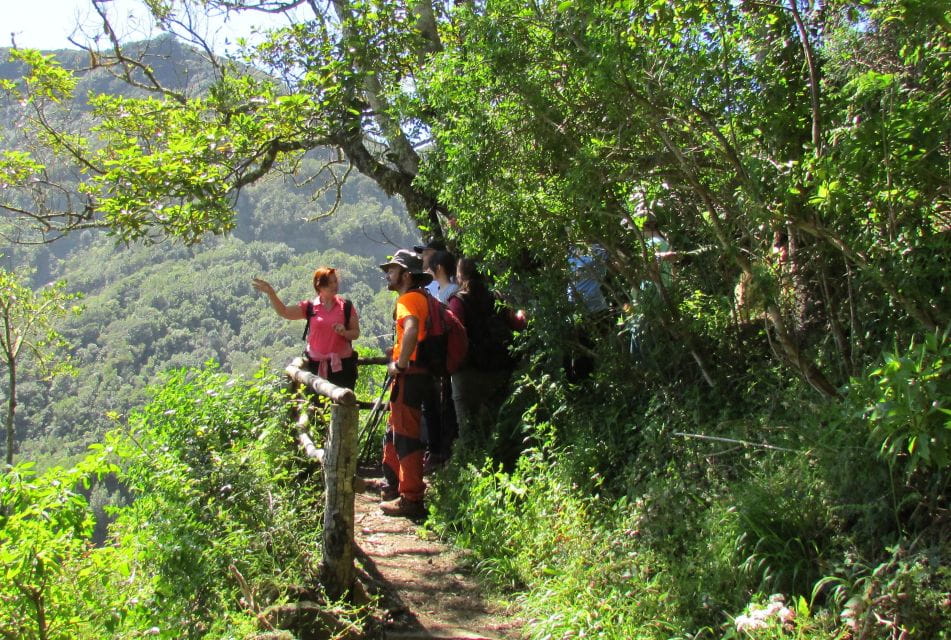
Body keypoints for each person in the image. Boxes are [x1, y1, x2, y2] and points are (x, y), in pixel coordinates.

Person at [377, 249, 433, 518]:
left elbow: (411, 330)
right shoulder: (423, 297)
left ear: (407, 275)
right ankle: (394, 485)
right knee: (397, 430)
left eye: (393, 269)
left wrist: (399, 364)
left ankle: (411, 498)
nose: (389, 273)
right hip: (419, 374)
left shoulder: (408, 300)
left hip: (409, 376)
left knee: (406, 435)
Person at [448, 257, 526, 441]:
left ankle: (470, 455)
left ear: (460, 276)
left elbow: (454, 333)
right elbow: (517, 323)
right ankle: (502, 452)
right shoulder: (495, 296)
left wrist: (452, 365)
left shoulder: (458, 301)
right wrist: (522, 314)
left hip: (469, 371)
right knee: (498, 423)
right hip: (499, 367)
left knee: (468, 426)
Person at [252, 268, 360, 389]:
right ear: (319, 286)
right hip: (315, 366)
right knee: (317, 401)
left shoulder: (346, 306)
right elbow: (284, 311)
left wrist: (344, 332)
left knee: (343, 399)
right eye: (330, 283)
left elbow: (355, 333)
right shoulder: (310, 307)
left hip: (343, 367)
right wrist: (271, 293)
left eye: (335, 281)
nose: (334, 285)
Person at [421, 249, 459, 471]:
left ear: (440, 268)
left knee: (445, 406)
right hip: (439, 359)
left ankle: (444, 451)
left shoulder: (451, 293)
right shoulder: (443, 291)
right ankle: (439, 450)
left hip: (444, 357)